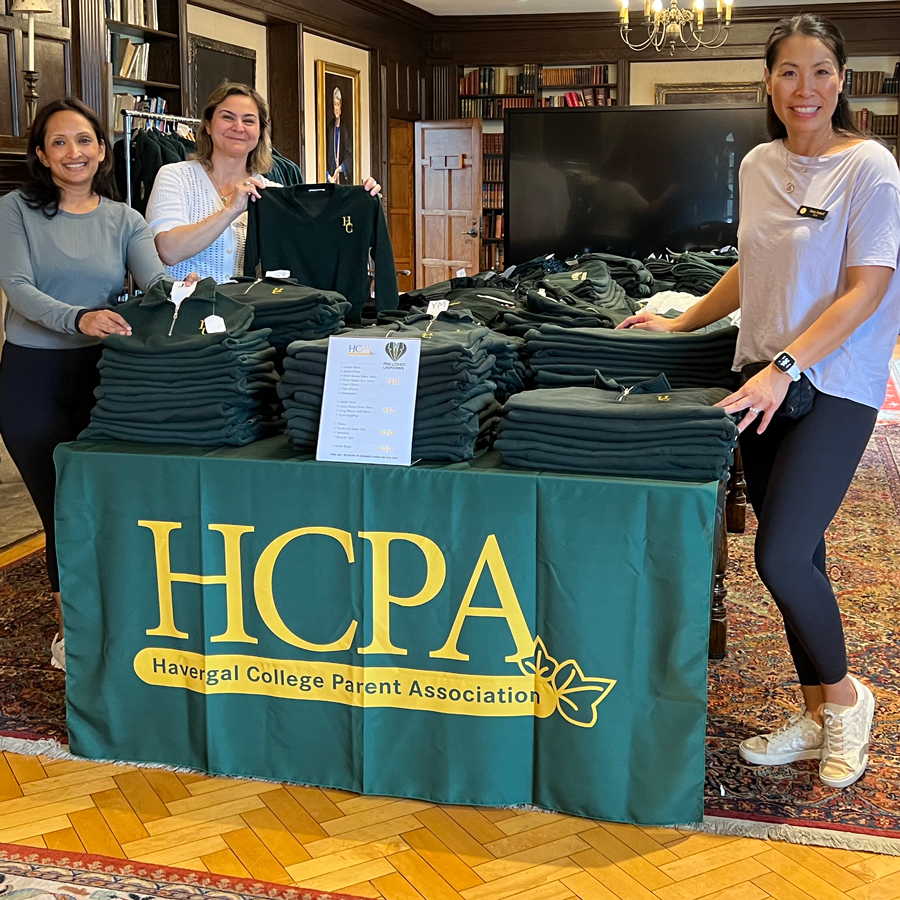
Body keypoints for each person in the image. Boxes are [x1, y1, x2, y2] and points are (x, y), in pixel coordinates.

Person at [618, 13, 900, 788]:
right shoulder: (759, 164)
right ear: (768, 83)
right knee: (797, 555)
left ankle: (847, 702)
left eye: (819, 72)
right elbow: (749, 267)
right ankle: (815, 714)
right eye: (787, 72)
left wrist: (785, 364)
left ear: (841, 80)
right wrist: (684, 319)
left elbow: (865, 290)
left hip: (831, 382)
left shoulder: (870, 168)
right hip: (760, 375)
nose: (803, 89)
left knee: (777, 554)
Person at [0, 98, 188, 672]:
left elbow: (154, 284)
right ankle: (71, 634)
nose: (73, 152)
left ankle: (121, 620)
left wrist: (182, 293)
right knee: (61, 509)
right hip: (32, 378)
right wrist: (79, 317)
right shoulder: (14, 210)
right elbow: (17, 286)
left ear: (102, 150)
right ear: (40, 154)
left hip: (108, 382)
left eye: (83, 140)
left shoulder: (125, 219)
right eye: (58, 142)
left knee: (106, 506)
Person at [147, 82, 379, 284]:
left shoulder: (274, 195)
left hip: (253, 321)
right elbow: (168, 251)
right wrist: (230, 210)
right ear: (207, 124)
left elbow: (316, 257)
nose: (238, 127)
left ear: (259, 132)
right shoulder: (175, 177)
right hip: (185, 318)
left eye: (249, 120)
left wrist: (361, 207)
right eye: (227, 117)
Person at [326, 86, 353, 184]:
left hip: (341, 179)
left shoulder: (345, 130)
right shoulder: (329, 129)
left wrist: (338, 170)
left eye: (338, 104)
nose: (336, 108)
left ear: (341, 108)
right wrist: (328, 176)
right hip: (330, 179)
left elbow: (349, 155)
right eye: (335, 104)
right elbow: (323, 155)